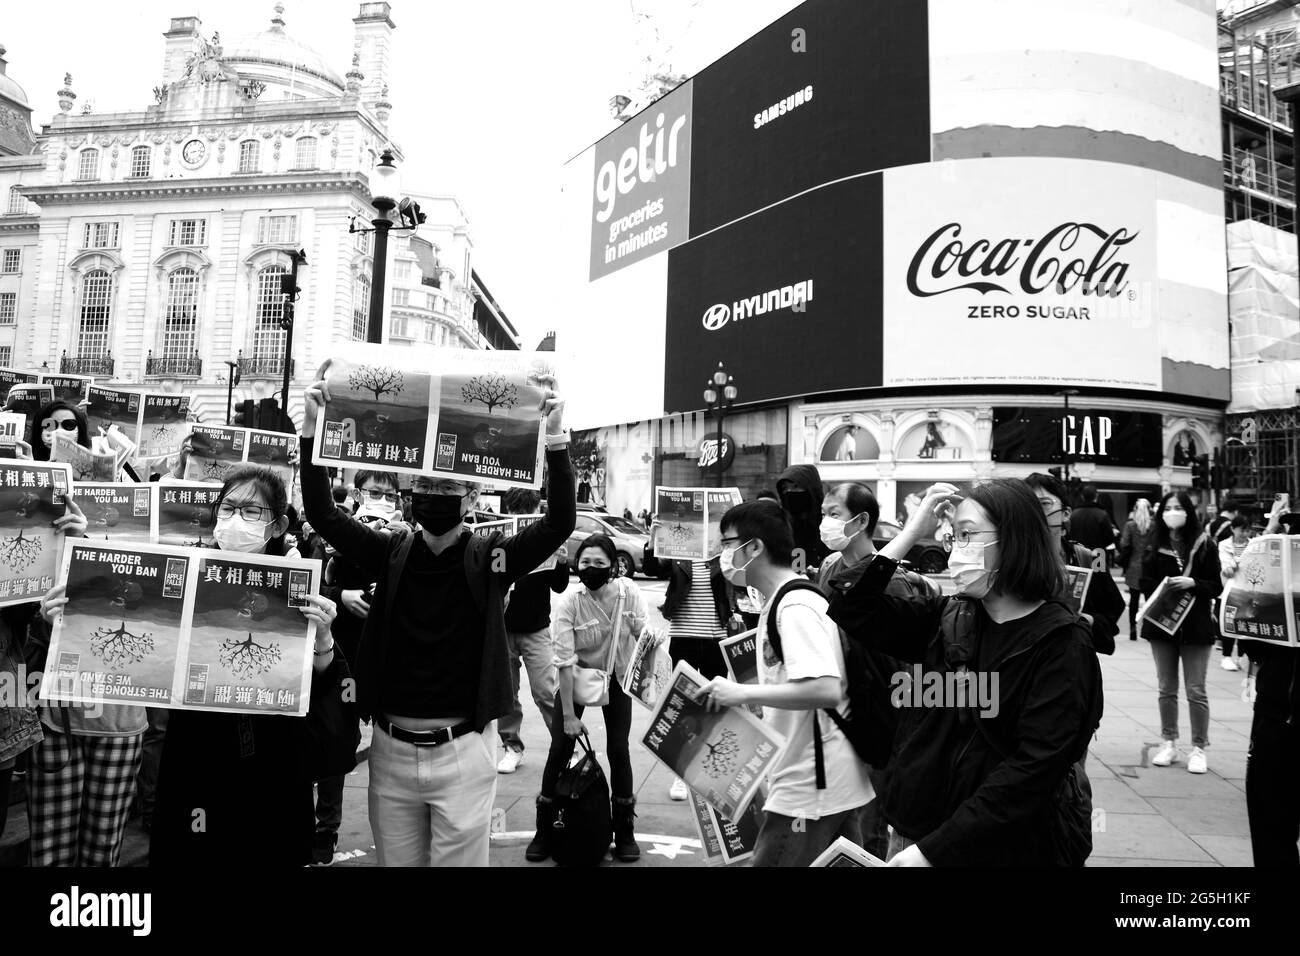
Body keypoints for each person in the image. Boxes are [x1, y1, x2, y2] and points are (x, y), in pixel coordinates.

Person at [299, 369, 575, 867]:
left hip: (464, 751)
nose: (434, 493)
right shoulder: (389, 552)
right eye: (425, 483)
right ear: (410, 494)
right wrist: (311, 432)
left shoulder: (492, 560)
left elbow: (559, 523)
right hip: (390, 749)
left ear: (470, 498)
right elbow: (324, 515)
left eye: (447, 484)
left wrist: (555, 439)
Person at [826, 480, 1102, 866]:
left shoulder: (1063, 644)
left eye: (968, 534)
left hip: (999, 846)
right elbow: (851, 606)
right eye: (953, 536)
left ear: (1014, 540)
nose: (955, 549)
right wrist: (910, 532)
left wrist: (932, 852)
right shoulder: (946, 617)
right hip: (915, 832)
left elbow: (1034, 768)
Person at [695, 500, 872, 866]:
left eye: (727, 544)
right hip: (821, 779)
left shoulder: (794, 608)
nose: (721, 556)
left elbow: (825, 688)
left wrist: (740, 692)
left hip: (809, 787)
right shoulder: (783, 600)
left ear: (754, 547)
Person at [817, 481, 937, 860]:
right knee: (842, 826)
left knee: (870, 831)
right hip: (837, 716)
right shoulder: (829, 567)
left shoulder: (896, 584)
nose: (824, 523)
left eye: (833, 514)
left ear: (861, 520)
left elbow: (904, 668)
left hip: (879, 726)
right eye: (823, 514)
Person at [527, 534, 649, 864]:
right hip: (576, 679)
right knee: (559, 748)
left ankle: (624, 830)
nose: (591, 568)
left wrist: (655, 648)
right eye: (585, 562)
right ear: (576, 565)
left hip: (617, 678)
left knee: (618, 749)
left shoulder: (629, 592)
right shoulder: (570, 603)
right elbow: (564, 663)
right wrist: (568, 715)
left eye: (599, 563)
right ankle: (545, 827)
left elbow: (643, 636)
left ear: (612, 566)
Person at [310, 468, 404, 865]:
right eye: (373, 490)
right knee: (333, 738)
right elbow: (305, 584)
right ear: (357, 492)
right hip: (336, 654)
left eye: (388, 492)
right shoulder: (332, 535)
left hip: (386, 660)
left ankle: (388, 829)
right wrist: (340, 595)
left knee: (376, 745)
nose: (381, 497)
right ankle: (322, 831)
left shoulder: (408, 539)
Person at [648, 516, 740, 801]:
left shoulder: (723, 558)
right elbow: (652, 568)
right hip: (684, 637)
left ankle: (708, 773)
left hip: (715, 639)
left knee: (713, 707)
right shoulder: (678, 555)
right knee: (683, 706)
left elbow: (741, 581)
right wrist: (654, 539)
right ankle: (681, 774)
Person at [1139, 492, 1220, 774]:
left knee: (1196, 689)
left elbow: (1215, 586)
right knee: (1166, 688)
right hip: (1162, 626)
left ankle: (1199, 747)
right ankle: (1169, 742)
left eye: (1178, 507)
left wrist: (1192, 583)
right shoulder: (1154, 543)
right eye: (1168, 508)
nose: (1173, 512)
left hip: (1196, 626)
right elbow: (1143, 582)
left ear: (1188, 511)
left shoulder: (1204, 544)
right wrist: (1163, 587)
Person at [497, 487, 569, 775]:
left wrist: (562, 561)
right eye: (515, 511)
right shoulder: (498, 538)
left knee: (546, 691)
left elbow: (560, 586)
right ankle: (511, 746)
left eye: (525, 511)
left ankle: (565, 748)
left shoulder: (544, 539)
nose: (519, 517)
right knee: (505, 695)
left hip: (537, 628)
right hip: (502, 628)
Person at [1025, 472, 1125, 655]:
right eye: (1028, 504)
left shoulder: (1092, 559)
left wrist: (1086, 620)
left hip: (1073, 664)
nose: (1036, 512)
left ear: (1066, 513)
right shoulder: (1011, 558)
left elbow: (1114, 606)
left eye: (1044, 504)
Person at [776, 465, 830, 571]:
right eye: (785, 488)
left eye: (795, 486)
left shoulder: (830, 527)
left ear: (811, 489)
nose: (789, 492)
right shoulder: (781, 528)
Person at [1217, 515, 1253, 672]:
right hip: (1230, 590)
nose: (1245, 534)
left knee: (1245, 624)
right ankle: (1226, 656)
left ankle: (1241, 656)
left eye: (1247, 530)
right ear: (1232, 529)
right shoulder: (1224, 545)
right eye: (1241, 530)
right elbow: (1227, 568)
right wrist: (1239, 562)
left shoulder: (1253, 544)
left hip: (1249, 590)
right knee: (1230, 623)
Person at [1118, 498, 1155, 640]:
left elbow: (1124, 543)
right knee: (1149, 600)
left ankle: (1133, 630)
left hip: (1133, 566)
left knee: (1134, 600)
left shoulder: (1130, 525)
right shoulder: (1153, 526)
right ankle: (1147, 629)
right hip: (1149, 568)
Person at [1066, 484, 1118, 559]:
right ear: (1096, 496)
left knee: (1081, 570)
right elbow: (1109, 539)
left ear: (1082, 497)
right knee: (1098, 571)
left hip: (1079, 555)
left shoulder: (1073, 514)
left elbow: (1069, 536)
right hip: (1098, 555)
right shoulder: (1102, 514)